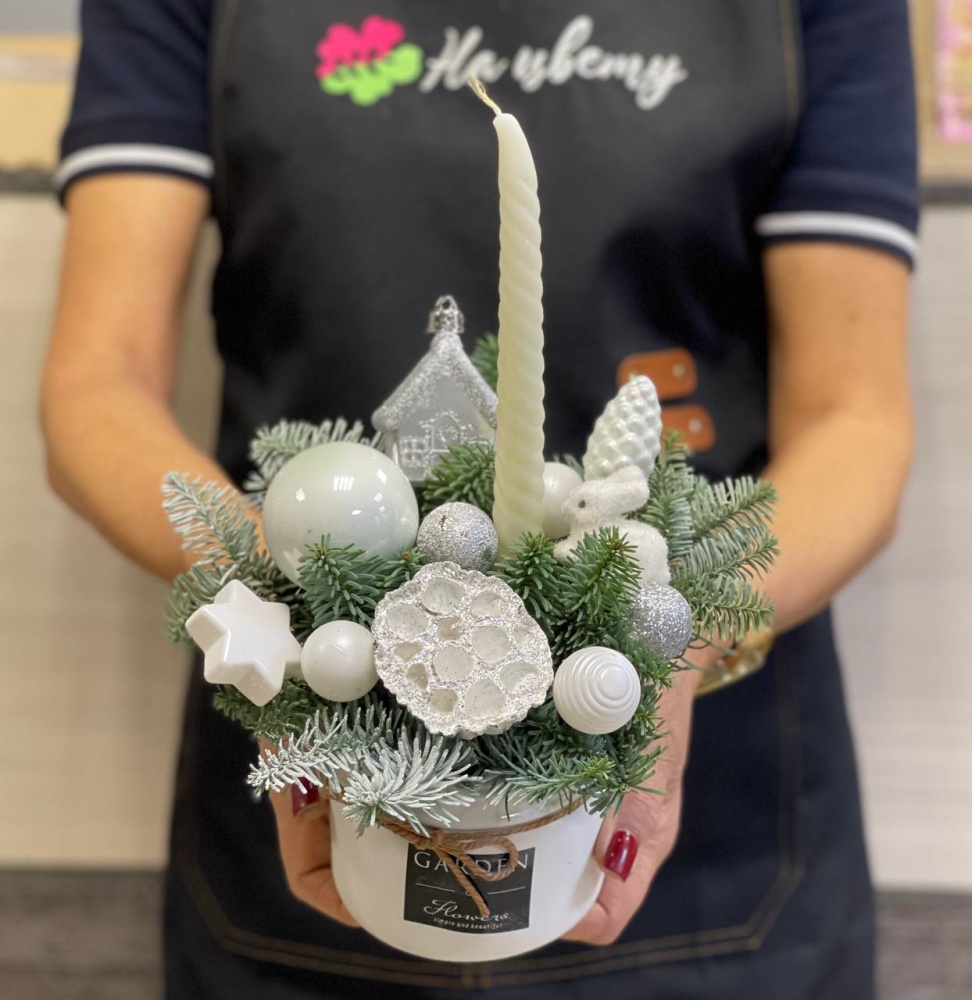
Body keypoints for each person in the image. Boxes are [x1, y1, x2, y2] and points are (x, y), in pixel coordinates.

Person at [42, 1, 917, 997]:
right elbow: (96, 389)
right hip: (321, 813)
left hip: (717, 849)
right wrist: (297, 628)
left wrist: (674, 644)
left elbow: (857, 421)